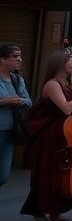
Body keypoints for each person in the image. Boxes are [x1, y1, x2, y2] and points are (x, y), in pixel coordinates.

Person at [19, 50, 72, 221]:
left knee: (60, 174)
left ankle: (56, 211)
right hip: (49, 135)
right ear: (61, 64)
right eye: (71, 62)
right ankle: (40, 209)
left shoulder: (69, 82)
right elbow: (66, 108)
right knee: (46, 172)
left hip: (64, 133)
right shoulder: (52, 85)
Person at [0, 44, 32, 188]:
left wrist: (19, 101)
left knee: (3, 175)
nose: (19, 59)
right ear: (2, 59)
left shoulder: (17, 80)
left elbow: (28, 101)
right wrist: (6, 101)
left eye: (20, 56)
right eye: (15, 56)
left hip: (10, 132)